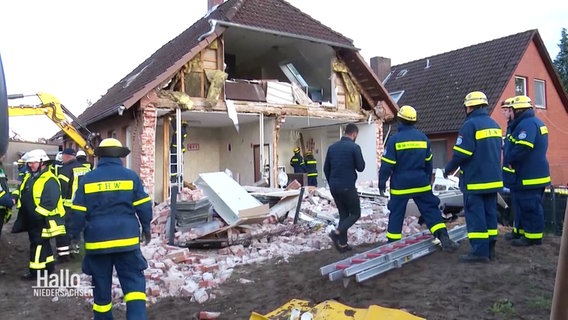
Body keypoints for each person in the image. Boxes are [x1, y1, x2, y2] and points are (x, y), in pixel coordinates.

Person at [70, 138, 152, 320]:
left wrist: (74, 235)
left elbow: (77, 212)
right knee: (134, 286)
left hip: (97, 243)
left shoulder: (87, 179)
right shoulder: (131, 177)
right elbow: (144, 206)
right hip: (127, 242)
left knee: (101, 289)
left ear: (99, 157)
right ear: (120, 156)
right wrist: (146, 228)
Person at [379, 106, 459, 251]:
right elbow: (429, 164)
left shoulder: (394, 140)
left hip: (401, 185)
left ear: (400, 121)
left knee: (397, 212)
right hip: (421, 183)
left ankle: (393, 244)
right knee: (430, 209)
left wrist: (381, 182)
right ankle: (443, 237)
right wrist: (427, 180)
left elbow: (387, 165)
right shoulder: (423, 138)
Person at [444, 91, 503, 263]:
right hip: (493, 180)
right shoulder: (494, 125)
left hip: (476, 181)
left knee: (476, 216)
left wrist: (448, 169)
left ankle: (479, 252)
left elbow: (462, 154)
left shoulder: (470, 125)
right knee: (490, 214)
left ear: (469, 106)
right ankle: (491, 248)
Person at [503, 95, 550, 247]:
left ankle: (533, 237)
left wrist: (510, 159)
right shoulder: (528, 123)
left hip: (530, 176)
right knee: (521, 205)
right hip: (525, 175)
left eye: (511, 110)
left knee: (530, 206)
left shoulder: (528, 124)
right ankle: (520, 232)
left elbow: (523, 147)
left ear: (518, 110)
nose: (508, 112)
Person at [13, 149, 66, 280]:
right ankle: (48, 267)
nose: (30, 165)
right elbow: (21, 190)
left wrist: (37, 217)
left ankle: (36, 272)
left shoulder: (50, 179)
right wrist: (14, 196)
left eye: (33, 163)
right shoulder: (30, 177)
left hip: (43, 220)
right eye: (29, 163)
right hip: (32, 219)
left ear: (43, 163)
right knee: (44, 244)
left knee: (37, 244)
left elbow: (50, 202)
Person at [324, 123, 365, 252]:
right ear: (354, 134)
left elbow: (326, 169)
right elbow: (361, 167)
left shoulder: (332, 148)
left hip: (334, 187)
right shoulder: (354, 147)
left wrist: (332, 182)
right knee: (355, 213)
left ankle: (343, 244)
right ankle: (336, 233)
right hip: (347, 186)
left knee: (344, 214)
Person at [57, 148, 92, 260]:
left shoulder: (65, 169)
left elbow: (61, 189)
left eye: (63, 156)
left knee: (64, 230)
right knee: (78, 227)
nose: (62, 158)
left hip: (68, 206)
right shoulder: (85, 169)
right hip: (83, 205)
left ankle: (64, 255)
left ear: (67, 156)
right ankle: (75, 250)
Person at [500, 98, 522, 238]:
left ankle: (519, 231)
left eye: (507, 110)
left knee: (519, 205)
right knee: (515, 204)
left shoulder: (516, 126)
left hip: (515, 174)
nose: (505, 113)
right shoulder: (510, 126)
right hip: (510, 176)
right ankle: (516, 230)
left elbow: (519, 149)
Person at [0, 155, 15, 238]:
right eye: (2, 154)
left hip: (2, 208)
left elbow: (4, 185)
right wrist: (9, 201)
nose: (4, 156)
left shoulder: (1, 169)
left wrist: (10, 195)